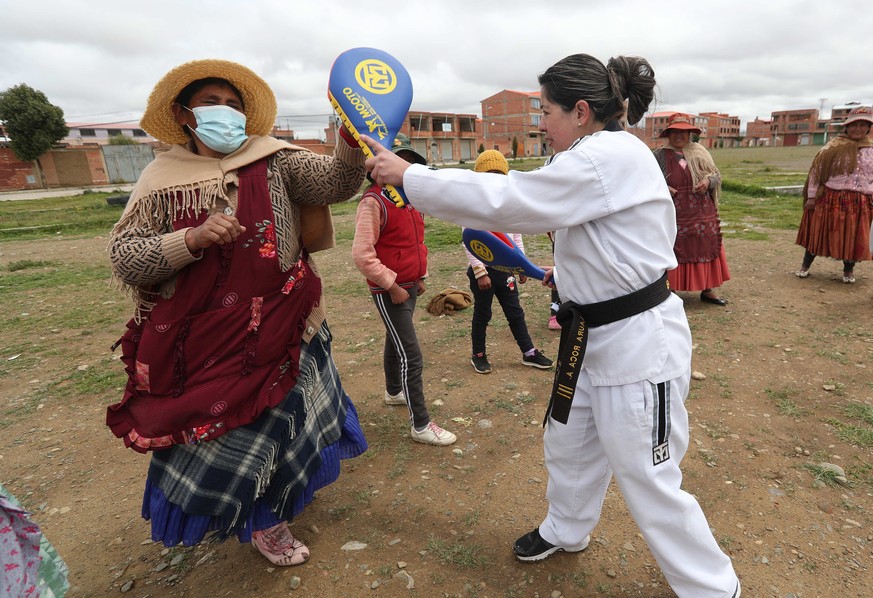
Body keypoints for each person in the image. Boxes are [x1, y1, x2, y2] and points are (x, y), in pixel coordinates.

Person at [363, 53, 741, 597]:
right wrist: (563, 276)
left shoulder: (606, 156)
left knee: (647, 473)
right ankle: (566, 528)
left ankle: (713, 587)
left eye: (546, 110)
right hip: (588, 334)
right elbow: (607, 241)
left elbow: (513, 200)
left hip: (636, 343)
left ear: (581, 111)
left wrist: (413, 177)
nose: (542, 122)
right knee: (568, 442)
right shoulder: (594, 155)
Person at [105, 59, 368, 567]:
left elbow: (333, 184)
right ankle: (259, 520)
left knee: (281, 423)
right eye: (211, 103)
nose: (224, 113)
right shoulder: (162, 180)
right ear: (183, 114)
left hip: (283, 324)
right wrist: (191, 239)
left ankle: (273, 511)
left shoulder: (276, 159)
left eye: (232, 104)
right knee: (226, 431)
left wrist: (350, 142)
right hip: (200, 342)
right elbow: (126, 256)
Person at [351, 134, 457, 446]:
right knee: (411, 353)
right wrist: (392, 285)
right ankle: (421, 424)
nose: (405, 166)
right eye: (400, 160)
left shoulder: (411, 199)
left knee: (393, 337)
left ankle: (394, 391)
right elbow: (362, 253)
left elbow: (416, 242)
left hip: (410, 284)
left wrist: (420, 276)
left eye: (410, 162)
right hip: (391, 289)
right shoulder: (374, 201)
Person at [463, 149, 553, 374]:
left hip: (506, 270)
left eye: (499, 174)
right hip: (484, 273)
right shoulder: (472, 205)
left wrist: (521, 265)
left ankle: (529, 352)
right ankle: (479, 354)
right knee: (483, 314)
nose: (494, 178)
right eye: (489, 173)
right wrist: (480, 272)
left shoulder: (506, 205)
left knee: (515, 312)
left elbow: (515, 236)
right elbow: (469, 240)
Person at [653, 113, 730, 306]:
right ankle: (673, 289)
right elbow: (651, 179)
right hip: (675, 213)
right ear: (668, 134)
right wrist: (664, 187)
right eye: (675, 132)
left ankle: (707, 289)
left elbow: (716, 176)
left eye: (684, 132)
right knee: (675, 247)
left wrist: (707, 181)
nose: (679, 136)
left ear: (690, 134)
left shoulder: (700, 152)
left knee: (705, 245)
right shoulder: (659, 155)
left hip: (702, 212)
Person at [795, 105, 873, 282]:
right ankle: (805, 266)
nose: (858, 128)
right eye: (854, 124)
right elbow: (817, 173)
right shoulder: (831, 148)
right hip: (831, 198)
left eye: (863, 125)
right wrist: (812, 196)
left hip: (861, 201)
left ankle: (848, 271)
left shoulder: (871, 150)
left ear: (869, 128)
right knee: (819, 232)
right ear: (846, 126)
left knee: (854, 237)